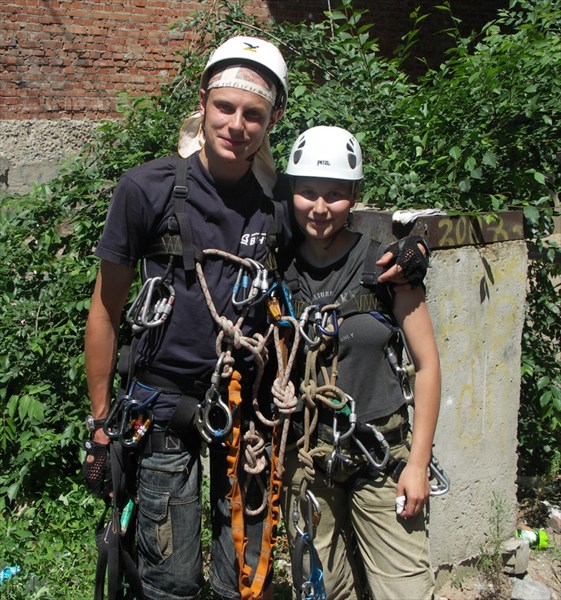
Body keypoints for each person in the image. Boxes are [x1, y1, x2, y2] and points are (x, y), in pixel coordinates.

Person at [82, 35, 431, 600]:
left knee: (241, 576)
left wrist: (414, 250)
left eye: (254, 114)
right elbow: (105, 310)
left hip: (248, 412)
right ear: (203, 102)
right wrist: (101, 425)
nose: (236, 124)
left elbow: (336, 230)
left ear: (273, 121)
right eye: (225, 107)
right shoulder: (145, 190)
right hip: (163, 408)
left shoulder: (277, 205)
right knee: (167, 577)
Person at [280, 126, 441, 600]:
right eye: (308, 192)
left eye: (335, 194)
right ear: (292, 192)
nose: (320, 207)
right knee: (323, 590)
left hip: (381, 454)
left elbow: (427, 366)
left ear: (354, 196)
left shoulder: (388, 266)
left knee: (406, 591)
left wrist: (418, 463)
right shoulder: (278, 270)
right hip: (309, 456)